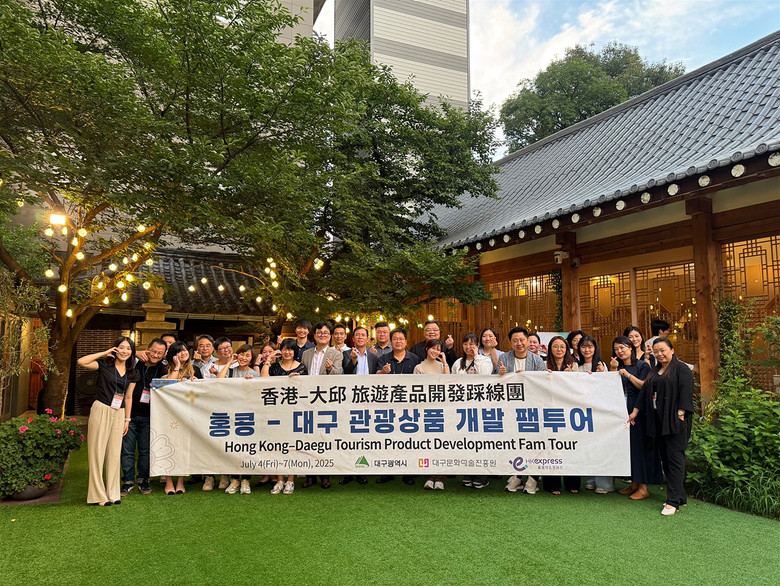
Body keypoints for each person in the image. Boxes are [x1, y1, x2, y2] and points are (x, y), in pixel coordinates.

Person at [629, 338, 694, 516]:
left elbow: (686, 393)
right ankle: (680, 496)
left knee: (675, 459)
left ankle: (672, 502)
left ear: (672, 350)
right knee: (665, 458)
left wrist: (680, 413)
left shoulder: (681, 369)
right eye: (656, 351)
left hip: (675, 421)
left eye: (663, 350)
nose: (660, 354)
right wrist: (635, 412)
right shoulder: (655, 370)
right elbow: (644, 392)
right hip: (657, 421)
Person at [78, 337, 139, 506]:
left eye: (128, 348)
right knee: (97, 452)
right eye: (121, 347)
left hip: (120, 413)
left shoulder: (133, 372)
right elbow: (81, 361)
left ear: (132, 352)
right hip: (101, 409)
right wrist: (104, 353)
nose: (125, 351)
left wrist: (127, 419)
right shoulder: (104, 365)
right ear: (115, 349)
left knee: (114, 453)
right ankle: (98, 495)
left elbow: (128, 397)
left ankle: (113, 493)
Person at [610, 335, 659, 501]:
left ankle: (643, 488)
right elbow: (610, 387)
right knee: (630, 447)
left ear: (630, 348)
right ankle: (634, 483)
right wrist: (613, 370)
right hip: (622, 411)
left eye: (622, 347)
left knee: (640, 447)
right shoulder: (618, 365)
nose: (620, 351)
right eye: (616, 349)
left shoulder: (642, 365)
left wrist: (628, 375)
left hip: (639, 411)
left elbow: (645, 386)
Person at [497, 327, 545, 494]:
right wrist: (500, 374)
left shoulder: (537, 360)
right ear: (510, 343)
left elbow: (543, 383)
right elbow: (495, 383)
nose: (519, 343)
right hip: (511, 409)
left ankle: (533, 477)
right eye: (515, 340)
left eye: (522, 340)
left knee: (532, 443)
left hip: (532, 409)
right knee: (515, 442)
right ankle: (517, 475)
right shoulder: (504, 358)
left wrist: (529, 377)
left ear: (527, 340)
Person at [121, 338, 167, 497]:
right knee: (127, 450)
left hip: (150, 416)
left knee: (145, 450)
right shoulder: (135, 363)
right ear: (147, 349)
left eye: (160, 353)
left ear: (164, 355)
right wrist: (135, 353)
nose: (156, 355)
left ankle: (143, 479)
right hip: (129, 414)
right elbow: (120, 355)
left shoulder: (163, 369)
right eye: (153, 351)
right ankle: (128, 481)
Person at [260, 338, 307, 495]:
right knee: (277, 445)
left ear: (295, 351)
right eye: (285, 349)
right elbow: (263, 381)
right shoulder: (274, 367)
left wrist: (297, 381)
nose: (287, 352)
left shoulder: (301, 367)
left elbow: (306, 389)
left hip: (294, 411)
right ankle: (280, 480)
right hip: (276, 411)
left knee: (292, 445)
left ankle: (290, 480)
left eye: (290, 349)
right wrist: (269, 359)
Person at [376, 328, 420, 485]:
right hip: (388, 405)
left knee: (408, 439)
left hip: (409, 406)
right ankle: (387, 472)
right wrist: (383, 372)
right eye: (395, 339)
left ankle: (408, 473)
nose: (398, 341)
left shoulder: (414, 359)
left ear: (406, 342)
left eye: (401, 339)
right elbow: (375, 378)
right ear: (391, 341)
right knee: (388, 438)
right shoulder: (384, 358)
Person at [301, 323, 342, 489]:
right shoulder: (306, 354)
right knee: (308, 437)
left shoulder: (336, 353)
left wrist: (330, 369)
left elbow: (339, 375)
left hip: (326, 400)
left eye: (325, 333)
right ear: (314, 335)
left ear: (330, 336)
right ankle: (309, 476)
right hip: (308, 400)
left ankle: (325, 476)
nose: (322, 335)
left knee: (324, 438)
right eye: (319, 332)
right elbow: (302, 373)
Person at [541, 336, 579, 495]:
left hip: (568, 410)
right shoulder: (543, 365)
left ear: (567, 349)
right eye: (555, 346)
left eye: (562, 347)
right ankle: (552, 484)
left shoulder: (574, 365)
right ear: (550, 349)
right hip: (549, 410)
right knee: (551, 446)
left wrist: (570, 377)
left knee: (569, 446)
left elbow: (579, 387)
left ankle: (572, 483)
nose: (559, 349)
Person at [339, 326, 377, 486]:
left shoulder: (374, 356)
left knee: (364, 437)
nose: (360, 337)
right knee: (348, 437)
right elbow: (346, 372)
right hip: (350, 400)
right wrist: (353, 360)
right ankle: (347, 471)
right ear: (353, 339)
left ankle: (362, 471)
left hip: (368, 401)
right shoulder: (346, 353)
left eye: (363, 335)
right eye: (357, 335)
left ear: (367, 339)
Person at [575, 335, 611, 494]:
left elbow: (608, 387)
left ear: (595, 348)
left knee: (601, 446)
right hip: (582, 412)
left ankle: (604, 483)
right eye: (583, 347)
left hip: (599, 411)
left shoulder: (601, 365)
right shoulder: (576, 366)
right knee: (588, 446)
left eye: (590, 347)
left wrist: (602, 374)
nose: (587, 350)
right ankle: (590, 480)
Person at [412, 339, 449, 490]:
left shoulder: (442, 366)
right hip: (426, 410)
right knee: (427, 444)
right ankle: (429, 477)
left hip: (442, 410)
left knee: (441, 445)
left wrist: (444, 362)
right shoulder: (419, 367)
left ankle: (440, 478)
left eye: (438, 349)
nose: (435, 351)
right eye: (433, 348)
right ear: (426, 349)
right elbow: (416, 389)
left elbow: (448, 383)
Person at [162, 341, 197, 495]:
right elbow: (167, 385)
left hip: (188, 414)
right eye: (179, 351)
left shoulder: (195, 369)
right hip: (169, 414)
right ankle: (169, 481)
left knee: (183, 447)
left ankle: (181, 481)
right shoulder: (165, 369)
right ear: (172, 355)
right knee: (168, 446)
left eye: (185, 350)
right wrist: (176, 367)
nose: (183, 353)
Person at [202, 337, 232, 492]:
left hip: (232, 409)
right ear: (217, 351)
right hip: (212, 408)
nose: (226, 351)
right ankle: (209, 476)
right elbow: (209, 387)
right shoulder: (209, 367)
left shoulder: (238, 364)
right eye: (222, 349)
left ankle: (225, 474)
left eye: (228, 347)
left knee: (227, 443)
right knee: (211, 442)